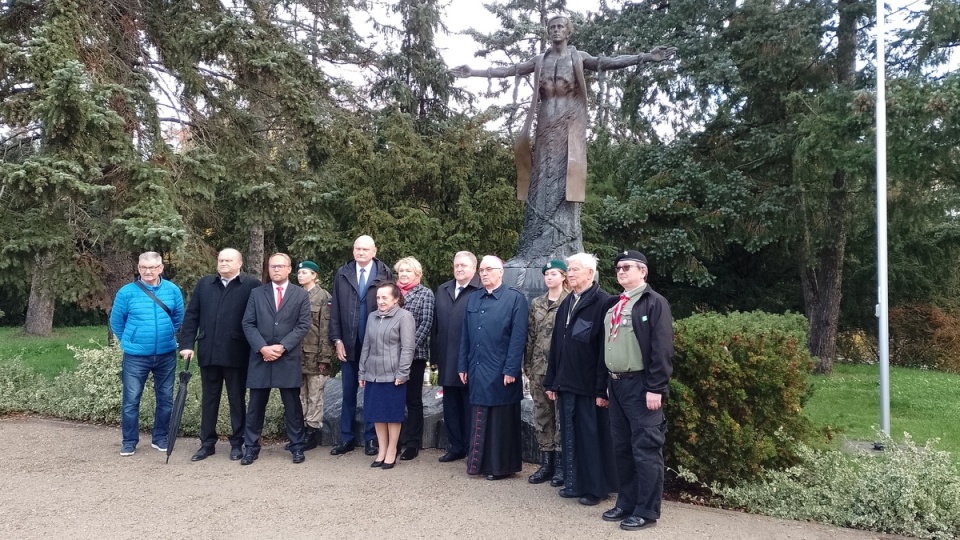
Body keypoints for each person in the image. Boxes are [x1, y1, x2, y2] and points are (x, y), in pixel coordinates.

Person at [453, 16, 675, 261]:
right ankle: (534, 244)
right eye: (552, 27)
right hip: (545, 122)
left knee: (565, 175)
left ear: (569, 31)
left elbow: (608, 62)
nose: (556, 31)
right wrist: (473, 72)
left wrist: (644, 56)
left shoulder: (577, 57)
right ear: (548, 32)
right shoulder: (541, 60)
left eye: (560, 27)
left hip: (570, 124)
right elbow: (510, 70)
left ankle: (563, 242)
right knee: (541, 176)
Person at [600, 250, 674, 531]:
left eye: (627, 267)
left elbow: (662, 348)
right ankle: (626, 502)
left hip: (641, 385)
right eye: (618, 267)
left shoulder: (653, 303)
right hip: (615, 384)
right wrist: (605, 385)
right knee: (622, 448)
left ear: (643, 271)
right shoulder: (614, 304)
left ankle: (646, 510)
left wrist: (656, 387)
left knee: (645, 448)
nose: (621, 271)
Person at [544, 253, 617, 507]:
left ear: (589, 273)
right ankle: (574, 483)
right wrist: (552, 380)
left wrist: (601, 389)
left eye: (575, 269)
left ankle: (595, 489)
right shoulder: (567, 302)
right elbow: (557, 345)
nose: (570, 273)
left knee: (591, 437)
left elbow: (603, 350)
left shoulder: (603, 302)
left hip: (589, 386)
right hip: (566, 383)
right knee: (570, 435)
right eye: (569, 269)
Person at [178, 248, 261, 462]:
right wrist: (187, 344)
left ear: (239, 263)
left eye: (228, 260)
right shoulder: (205, 284)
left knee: (236, 399)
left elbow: (257, 318)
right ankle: (207, 443)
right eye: (220, 260)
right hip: (209, 351)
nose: (223, 263)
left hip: (237, 352)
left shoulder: (251, 285)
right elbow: (192, 315)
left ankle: (237, 443)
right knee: (209, 399)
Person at [458, 255, 529, 480]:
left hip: (501, 369)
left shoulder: (515, 298)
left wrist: (510, 369)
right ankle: (478, 463)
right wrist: (463, 364)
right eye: (481, 270)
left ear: (501, 272)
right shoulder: (474, 298)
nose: (484, 273)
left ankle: (500, 467)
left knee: (500, 419)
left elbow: (518, 338)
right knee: (479, 414)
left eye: (489, 269)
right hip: (478, 366)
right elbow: (465, 336)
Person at [109, 251, 184, 457]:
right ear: (138, 268)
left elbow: (178, 318)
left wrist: (169, 335)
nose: (147, 271)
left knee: (165, 399)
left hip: (166, 354)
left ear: (161, 268)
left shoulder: (172, 290)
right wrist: (129, 340)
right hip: (136, 356)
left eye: (152, 267)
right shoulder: (126, 292)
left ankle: (160, 438)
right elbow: (116, 321)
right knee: (131, 400)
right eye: (143, 267)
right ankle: (129, 441)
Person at [239, 253, 311, 465]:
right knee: (255, 406)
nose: (276, 270)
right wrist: (262, 347)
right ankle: (251, 447)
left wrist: (282, 346)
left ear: (289, 269)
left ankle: (297, 447)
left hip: (287, 357)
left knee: (292, 406)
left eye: (280, 266)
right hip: (261, 357)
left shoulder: (300, 295)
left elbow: (303, 325)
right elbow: (248, 323)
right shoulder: (256, 293)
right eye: (272, 266)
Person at [329, 235, 393, 456]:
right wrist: (337, 340)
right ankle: (346, 438)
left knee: (372, 394)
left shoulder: (385, 273)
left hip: (376, 345)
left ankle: (371, 439)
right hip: (349, 343)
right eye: (357, 248)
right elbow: (335, 309)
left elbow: (392, 306)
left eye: (365, 249)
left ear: (374, 251)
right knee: (348, 393)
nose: (361, 252)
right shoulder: (343, 273)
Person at [358, 282, 416, 469]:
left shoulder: (404, 316)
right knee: (378, 414)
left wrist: (402, 372)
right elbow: (366, 345)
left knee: (392, 415)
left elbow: (408, 348)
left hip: (393, 375)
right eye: (378, 298)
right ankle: (381, 450)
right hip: (373, 373)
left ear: (396, 298)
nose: (381, 301)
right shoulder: (372, 317)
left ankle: (392, 450)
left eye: (385, 297)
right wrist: (362, 371)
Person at [431, 251, 481, 463]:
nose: (459, 269)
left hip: (469, 358)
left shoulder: (479, 290)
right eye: (456, 265)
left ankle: (472, 448)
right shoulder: (443, 289)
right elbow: (436, 326)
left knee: (469, 406)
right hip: (445, 356)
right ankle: (455, 446)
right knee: (450, 405)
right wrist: (434, 355)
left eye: (463, 265)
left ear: (474, 268)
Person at [523, 259, 568, 484]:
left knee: (560, 416)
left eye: (554, 273)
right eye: (546, 274)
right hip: (538, 370)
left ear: (563, 276)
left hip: (559, 370)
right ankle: (546, 463)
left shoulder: (568, 301)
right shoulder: (537, 303)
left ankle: (561, 465)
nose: (549, 277)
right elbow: (531, 336)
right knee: (542, 416)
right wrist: (528, 366)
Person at [394, 257, 435, 461]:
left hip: (415, 356)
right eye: (401, 270)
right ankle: (394, 442)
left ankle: (412, 443)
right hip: (390, 356)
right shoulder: (391, 293)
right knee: (394, 400)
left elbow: (426, 324)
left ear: (417, 274)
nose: (403, 274)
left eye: (408, 271)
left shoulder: (425, 294)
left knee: (413, 400)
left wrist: (406, 349)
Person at [296, 260, 335, 451]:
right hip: (295, 355)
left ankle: (311, 433)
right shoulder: (294, 295)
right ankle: (299, 432)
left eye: (305, 272)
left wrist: (324, 358)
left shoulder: (323, 297)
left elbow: (326, 330)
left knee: (314, 395)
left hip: (315, 355)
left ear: (314, 276)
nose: (301, 275)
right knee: (299, 395)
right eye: (299, 272)